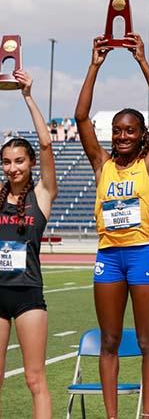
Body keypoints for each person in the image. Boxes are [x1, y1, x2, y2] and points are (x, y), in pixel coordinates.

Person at [75, 33, 149, 419]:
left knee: (147, 340)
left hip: (143, 254)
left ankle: (145, 414)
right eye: (117, 130)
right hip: (109, 258)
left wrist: (142, 62)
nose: (122, 136)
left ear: (141, 133)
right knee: (110, 341)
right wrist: (95, 64)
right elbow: (81, 116)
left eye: (130, 130)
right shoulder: (102, 163)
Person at [0, 69, 57, 418]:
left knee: (35, 380)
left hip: (27, 296)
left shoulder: (42, 195)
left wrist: (27, 95)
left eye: (19, 161)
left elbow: (47, 143)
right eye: (6, 162)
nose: (12, 168)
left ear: (31, 163)